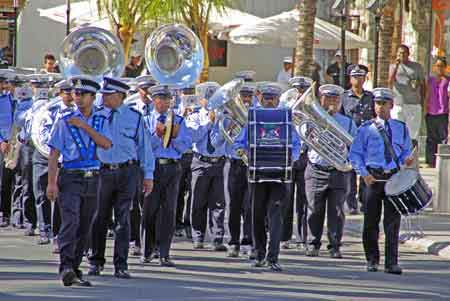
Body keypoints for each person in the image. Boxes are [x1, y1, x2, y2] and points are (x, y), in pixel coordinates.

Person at [47, 76, 112, 287]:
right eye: (76, 94)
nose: (79, 98)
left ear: (93, 97)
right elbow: (54, 153)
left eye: (83, 95)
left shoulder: (101, 119)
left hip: (93, 177)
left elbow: (106, 144)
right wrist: (51, 182)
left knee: (85, 225)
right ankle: (65, 266)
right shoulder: (64, 120)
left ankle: (75, 268)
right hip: (70, 176)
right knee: (71, 221)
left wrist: (84, 126)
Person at [88, 77, 154, 279]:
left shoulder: (134, 116)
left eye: (108, 95)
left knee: (123, 218)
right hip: (103, 171)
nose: (104, 98)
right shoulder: (96, 115)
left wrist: (148, 175)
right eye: (104, 94)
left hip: (127, 171)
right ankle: (96, 261)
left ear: (120, 96)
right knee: (99, 217)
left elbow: (144, 147)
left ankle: (121, 264)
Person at [234, 82, 301, 271]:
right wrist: (241, 150)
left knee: (275, 216)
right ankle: (259, 253)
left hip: (280, 174)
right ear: (260, 98)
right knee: (256, 214)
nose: (269, 101)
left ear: (278, 99)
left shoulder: (286, 118)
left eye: (272, 98)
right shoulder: (252, 118)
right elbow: (239, 142)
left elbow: (296, 144)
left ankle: (273, 257)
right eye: (266, 98)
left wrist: (291, 158)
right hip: (257, 173)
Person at [349, 87, 414, 275]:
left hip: (393, 177)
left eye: (384, 103)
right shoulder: (365, 129)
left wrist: (406, 160)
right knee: (370, 221)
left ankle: (391, 262)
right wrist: (363, 174)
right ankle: (372, 259)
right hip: (372, 178)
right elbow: (355, 155)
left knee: (392, 222)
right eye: (377, 103)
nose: (380, 107)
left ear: (391, 105)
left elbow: (405, 153)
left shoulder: (400, 128)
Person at [140, 85, 190, 267]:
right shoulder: (146, 120)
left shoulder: (179, 121)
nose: (163, 103)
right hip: (152, 168)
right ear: (154, 101)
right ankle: (147, 250)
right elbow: (144, 147)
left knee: (169, 211)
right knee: (149, 210)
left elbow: (184, 146)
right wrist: (157, 135)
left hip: (172, 167)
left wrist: (173, 137)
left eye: (167, 100)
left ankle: (164, 253)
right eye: (160, 99)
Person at [305, 84, 357, 259]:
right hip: (316, 169)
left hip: (338, 171)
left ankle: (335, 246)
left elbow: (354, 146)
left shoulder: (348, 123)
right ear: (321, 99)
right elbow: (303, 143)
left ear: (340, 101)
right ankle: (313, 243)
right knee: (314, 209)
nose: (331, 102)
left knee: (337, 211)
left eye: (335, 99)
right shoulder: (311, 119)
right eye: (328, 98)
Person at [185, 82, 228, 251]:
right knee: (198, 201)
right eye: (207, 98)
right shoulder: (195, 116)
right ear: (200, 100)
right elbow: (193, 137)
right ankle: (198, 236)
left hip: (219, 161)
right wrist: (209, 123)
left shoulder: (224, 115)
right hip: (200, 162)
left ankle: (217, 238)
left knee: (218, 203)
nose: (210, 102)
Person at [280, 76, 312, 252]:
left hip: (306, 156)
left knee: (304, 200)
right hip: (288, 156)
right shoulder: (285, 105)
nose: (300, 93)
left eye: (303, 90)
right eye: (297, 89)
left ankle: (302, 238)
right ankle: (284, 236)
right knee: (286, 198)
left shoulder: (310, 108)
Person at [127, 75, 157, 256]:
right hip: (134, 163)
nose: (147, 94)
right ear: (138, 91)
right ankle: (134, 240)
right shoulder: (132, 110)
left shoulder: (162, 111)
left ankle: (150, 243)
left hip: (154, 162)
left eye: (150, 91)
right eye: (144, 90)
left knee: (150, 206)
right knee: (132, 205)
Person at [341, 64, 375, 214]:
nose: (358, 80)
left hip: (367, 138)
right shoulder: (344, 97)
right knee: (350, 172)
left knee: (365, 170)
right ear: (350, 79)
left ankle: (364, 200)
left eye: (361, 76)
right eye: (355, 77)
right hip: (349, 139)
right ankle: (351, 203)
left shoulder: (371, 97)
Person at [388, 44, 426, 145]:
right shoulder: (393, 67)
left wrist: (423, 102)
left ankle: (412, 155)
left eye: (404, 53)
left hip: (413, 104)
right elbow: (390, 81)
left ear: (408, 54)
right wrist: (396, 66)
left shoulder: (417, 67)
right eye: (400, 53)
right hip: (398, 103)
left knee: (412, 133)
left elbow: (423, 85)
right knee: (397, 131)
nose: (402, 55)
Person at [424, 56, 449, 167]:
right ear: (434, 67)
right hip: (431, 112)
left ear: (445, 67)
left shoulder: (448, 80)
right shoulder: (430, 80)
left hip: (443, 113)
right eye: (437, 66)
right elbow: (426, 95)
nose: (439, 68)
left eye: (442, 66)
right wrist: (425, 108)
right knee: (431, 138)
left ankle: (441, 162)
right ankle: (430, 161)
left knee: (442, 138)